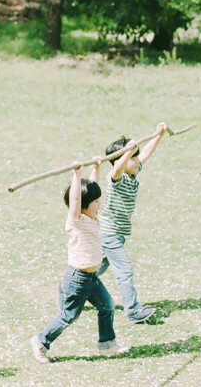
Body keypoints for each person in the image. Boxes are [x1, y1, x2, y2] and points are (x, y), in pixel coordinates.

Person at [31, 159, 129, 363]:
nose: (99, 204)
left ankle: (107, 344)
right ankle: (40, 341)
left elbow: (90, 191)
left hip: (91, 278)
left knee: (107, 305)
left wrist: (96, 169)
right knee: (69, 316)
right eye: (95, 202)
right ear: (84, 206)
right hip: (77, 279)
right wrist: (77, 175)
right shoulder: (76, 220)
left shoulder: (92, 217)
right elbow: (76, 201)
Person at [96, 122, 167, 324]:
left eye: (135, 158)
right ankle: (133, 311)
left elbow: (146, 154)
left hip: (117, 233)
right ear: (123, 160)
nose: (137, 162)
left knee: (94, 268)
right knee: (124, 269)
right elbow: (117, 167)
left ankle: (71, 288)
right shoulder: (116, 178)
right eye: (132, 159)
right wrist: (128, 151)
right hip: (109, 232)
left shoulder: (133, 173)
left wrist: (158, 135)